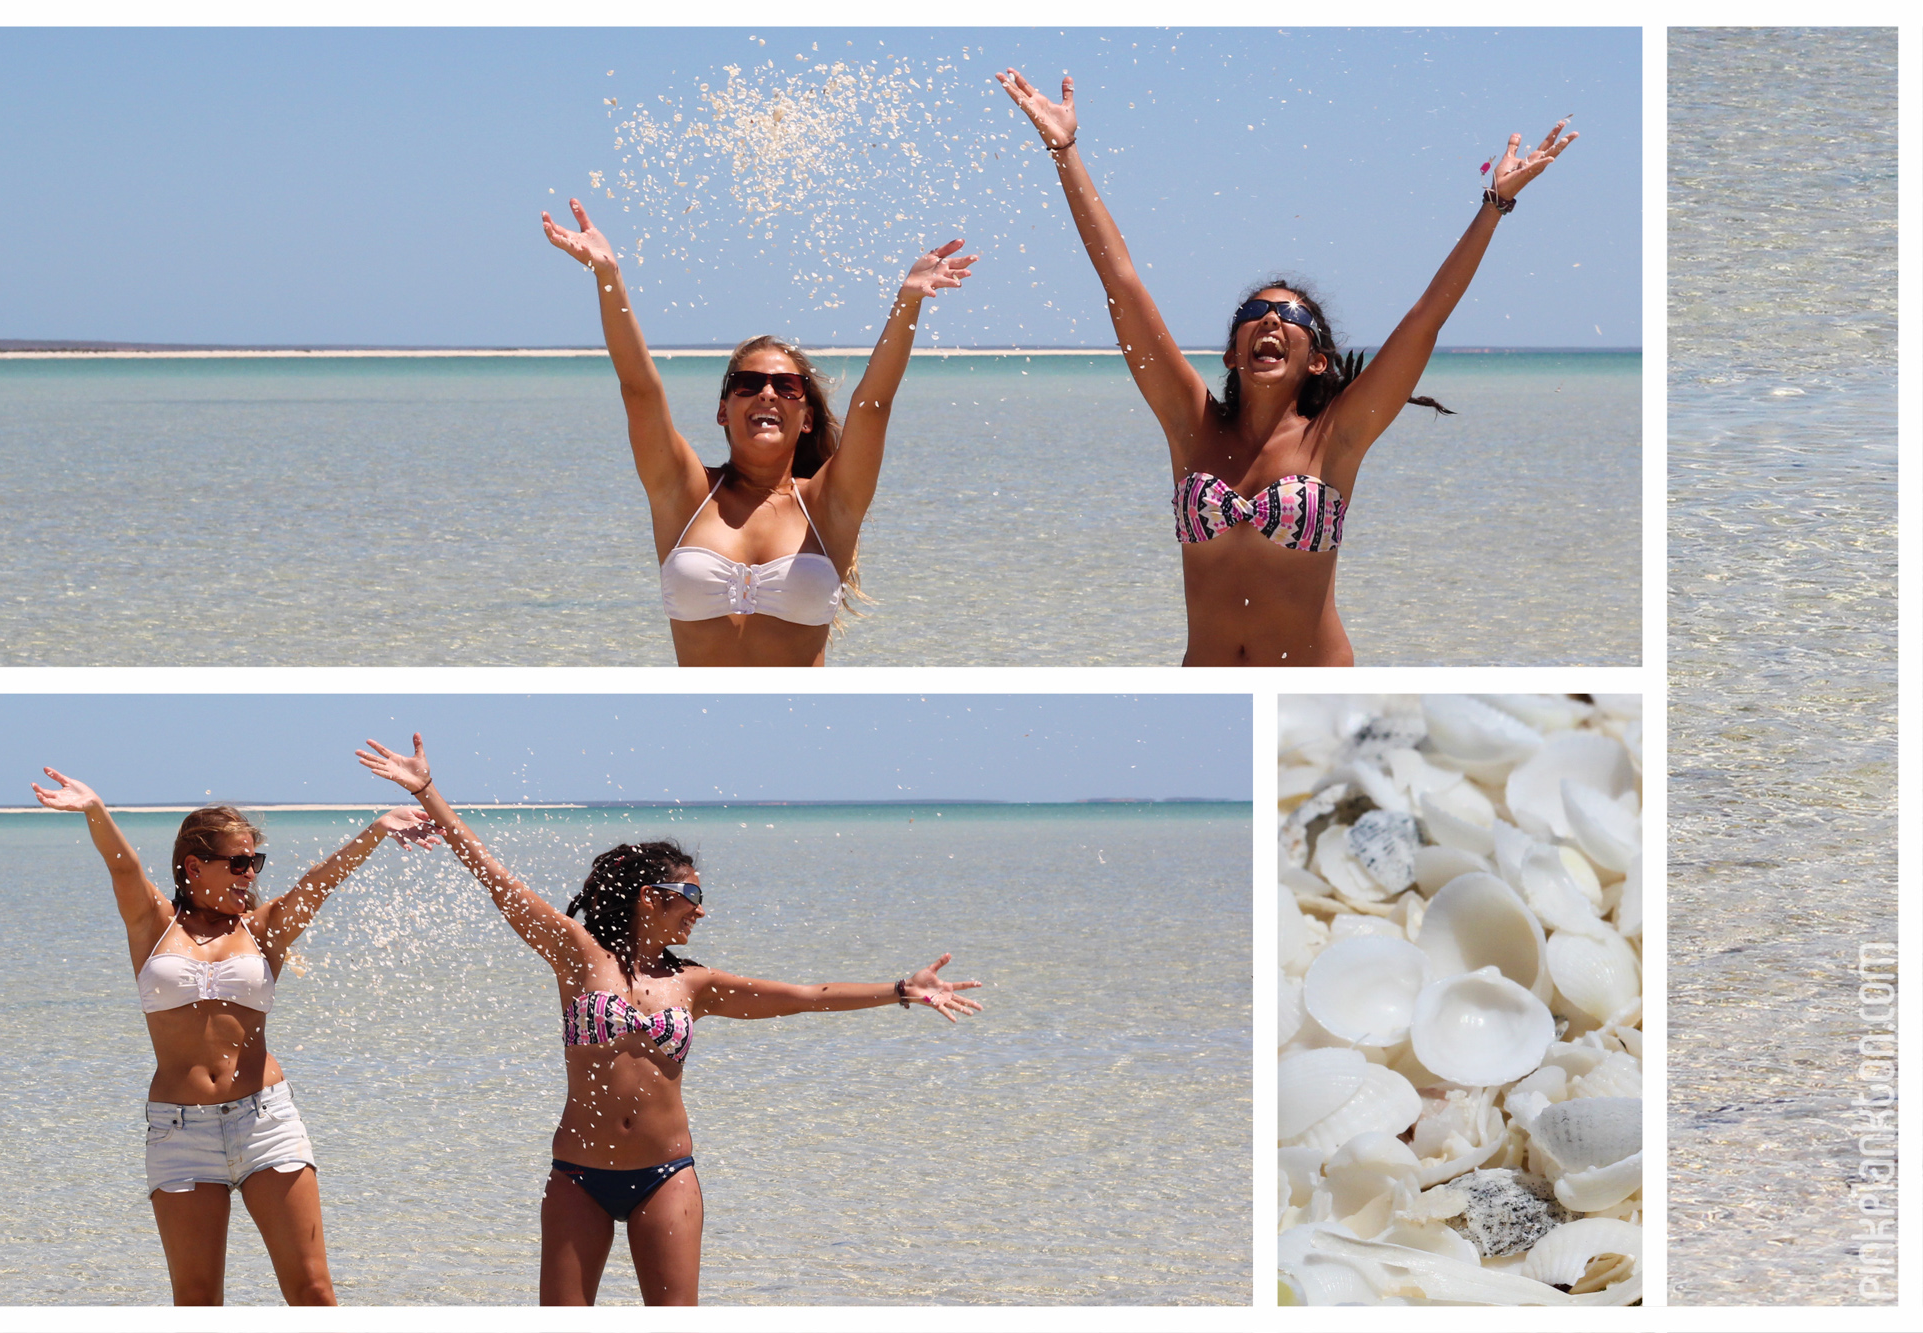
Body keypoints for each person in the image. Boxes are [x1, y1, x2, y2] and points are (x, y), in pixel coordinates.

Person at [355, 733, 982, 1305]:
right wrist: (426, 790)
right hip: (579, 1174)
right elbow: (493, 875)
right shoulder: (577, 956)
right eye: (693, 897)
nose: (701, 913)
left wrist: (901, 989)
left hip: (666, 1175)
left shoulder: (694, 984)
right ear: (650, 897)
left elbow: (803, 995)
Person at [996, 69, 1578, 666]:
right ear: (1230, 353)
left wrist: (1495, 204)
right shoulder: (1192, 426)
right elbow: (1121, 283)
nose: (1272, 322)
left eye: (1290, 317)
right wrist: (1064, 149)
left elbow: (1427, 317)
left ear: (1317, 358)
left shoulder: (1338, 437)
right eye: (1256, 312)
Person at [29, 769, 437, 1306]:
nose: (250, 874)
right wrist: (95, 809)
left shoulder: (262, 928)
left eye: (255, 862)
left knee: (313, 1290)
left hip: (266, 1122)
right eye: (238, 862)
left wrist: (378, 828)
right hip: (179, 1133)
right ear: (194, 866)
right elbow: (122, 866)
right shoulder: (153, 924)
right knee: (197, 1299)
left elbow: (321, 880)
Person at [542, 199, 976, 666]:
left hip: (807, 729)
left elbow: (873, 409)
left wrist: (907, 301)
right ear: (724, 411)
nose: (767, 394)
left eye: (787, 387)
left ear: (806, 417)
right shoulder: (685, 495)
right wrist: (609, 277)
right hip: (699, 726)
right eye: (748, 384)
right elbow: (639, 391)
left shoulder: (828, 505)